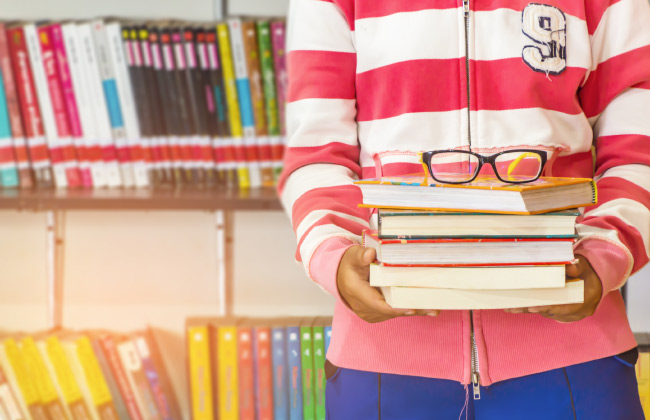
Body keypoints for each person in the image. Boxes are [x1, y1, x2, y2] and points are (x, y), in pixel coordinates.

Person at [278, 0, 650, 418]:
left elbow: (637, 150)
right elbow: (317, 154)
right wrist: (335, 256)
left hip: (575, 356)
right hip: (385, 359)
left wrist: (605, 254)